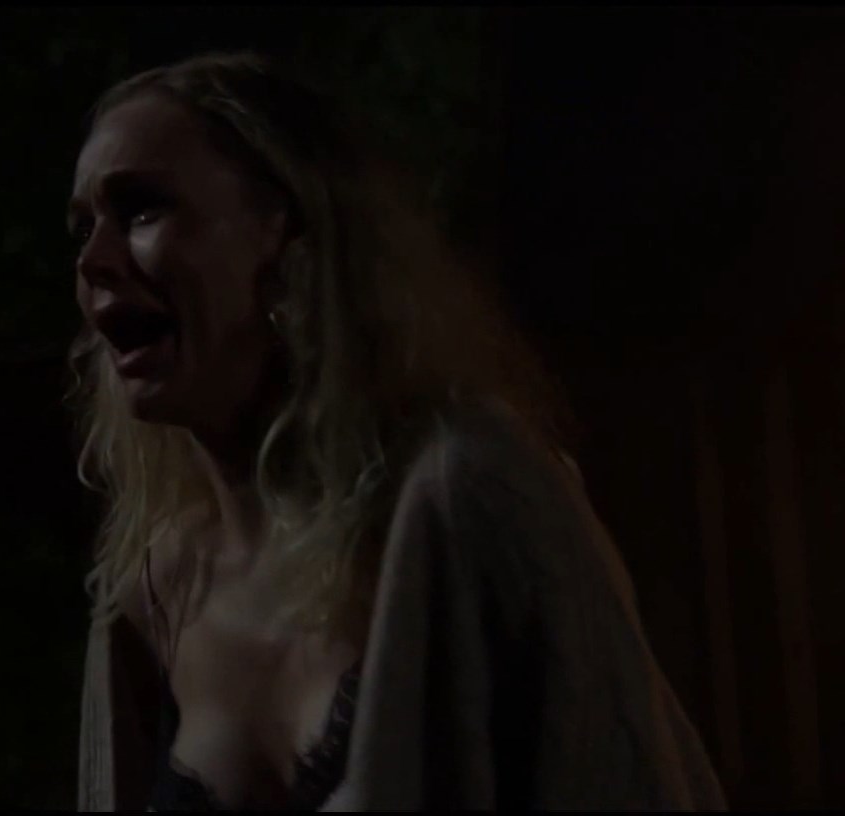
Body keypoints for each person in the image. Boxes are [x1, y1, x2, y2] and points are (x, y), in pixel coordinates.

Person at [65, 51, 724, 811]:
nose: (95, 260)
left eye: (142, 210)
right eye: (81, 230)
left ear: (287, 227)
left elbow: (625, 778)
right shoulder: (152, 592)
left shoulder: (469, 493)